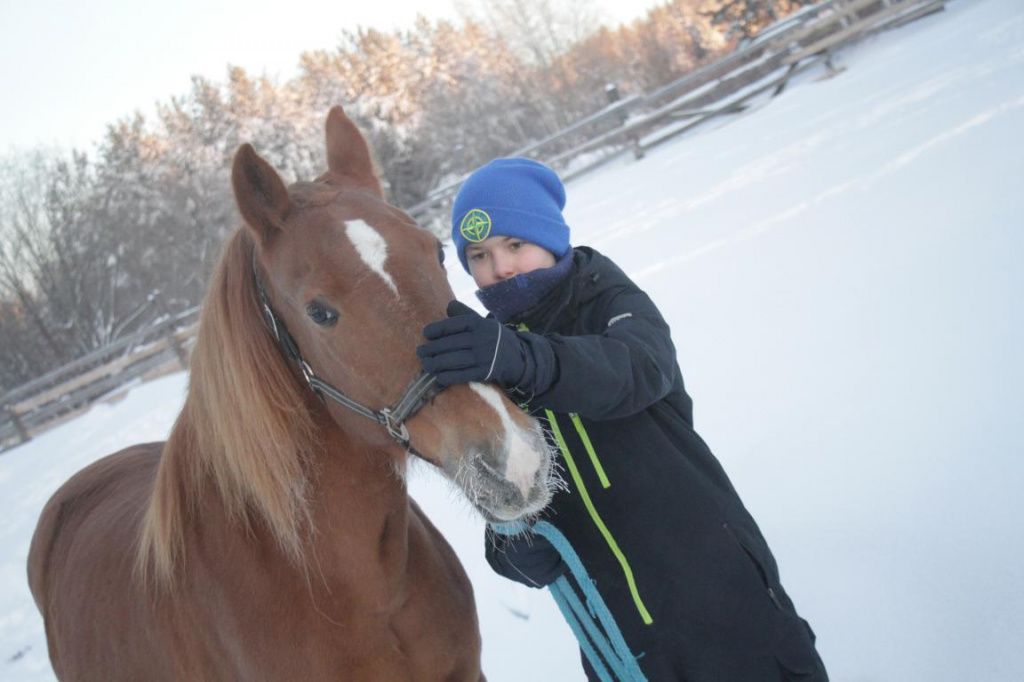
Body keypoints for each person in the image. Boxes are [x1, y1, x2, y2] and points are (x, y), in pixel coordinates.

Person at [416, 157, 828, 681]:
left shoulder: (605, 297)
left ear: (549, 236)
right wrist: (512, 545)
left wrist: (527, 359)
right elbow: (502, 494)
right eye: (480, 255)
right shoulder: (491, 358)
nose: (501, 268)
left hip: (719, 592)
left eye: (515, 244)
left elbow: (637, 370)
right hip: (618, 636)